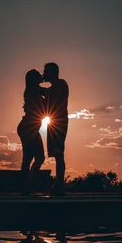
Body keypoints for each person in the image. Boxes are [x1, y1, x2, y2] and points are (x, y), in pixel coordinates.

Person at [17, 69, 45, 194]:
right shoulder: (31, 92)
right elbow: (39, 109)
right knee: (28, 158)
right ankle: (25, 187)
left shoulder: (37, 91)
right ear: (34, 79)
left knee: (39, 158)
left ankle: (28, 185)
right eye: (38, 75)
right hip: (28, 127)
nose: (41, 76)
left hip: (32, 127)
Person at [43, 62, 69, 195]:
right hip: (53, 122)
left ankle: (59, 185)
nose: (44, 74)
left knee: (59, 153)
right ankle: (59, 184)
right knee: (57, 153)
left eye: (46, 71)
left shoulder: (61, 84)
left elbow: (53, 99)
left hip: (58, 122)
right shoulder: (52, 89)